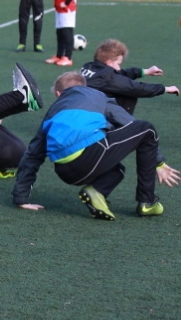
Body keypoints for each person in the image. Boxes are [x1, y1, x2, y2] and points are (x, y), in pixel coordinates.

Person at [12, 73, 181, 218]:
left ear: (58, 94)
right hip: (89, 157)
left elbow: (32, 154)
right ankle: (147, 202)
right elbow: (129, 123)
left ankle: (97, 191)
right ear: (84, 87)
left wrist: (21, 198)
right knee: (146, 129)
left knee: (116, 171)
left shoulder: (52, 113)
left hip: (65, 172)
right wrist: (158, 162)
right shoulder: (98, 96)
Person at [79, 39, 178, 115]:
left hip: (79, 110)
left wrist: (146, 71)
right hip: (91, 120)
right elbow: (136, 88)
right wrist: (165, 89)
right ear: (109, 62)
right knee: (128, 94)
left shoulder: (88, 66)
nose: (119, 67)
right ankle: (122, 126)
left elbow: (118, 74)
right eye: (118, 64)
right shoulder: (108, 77)